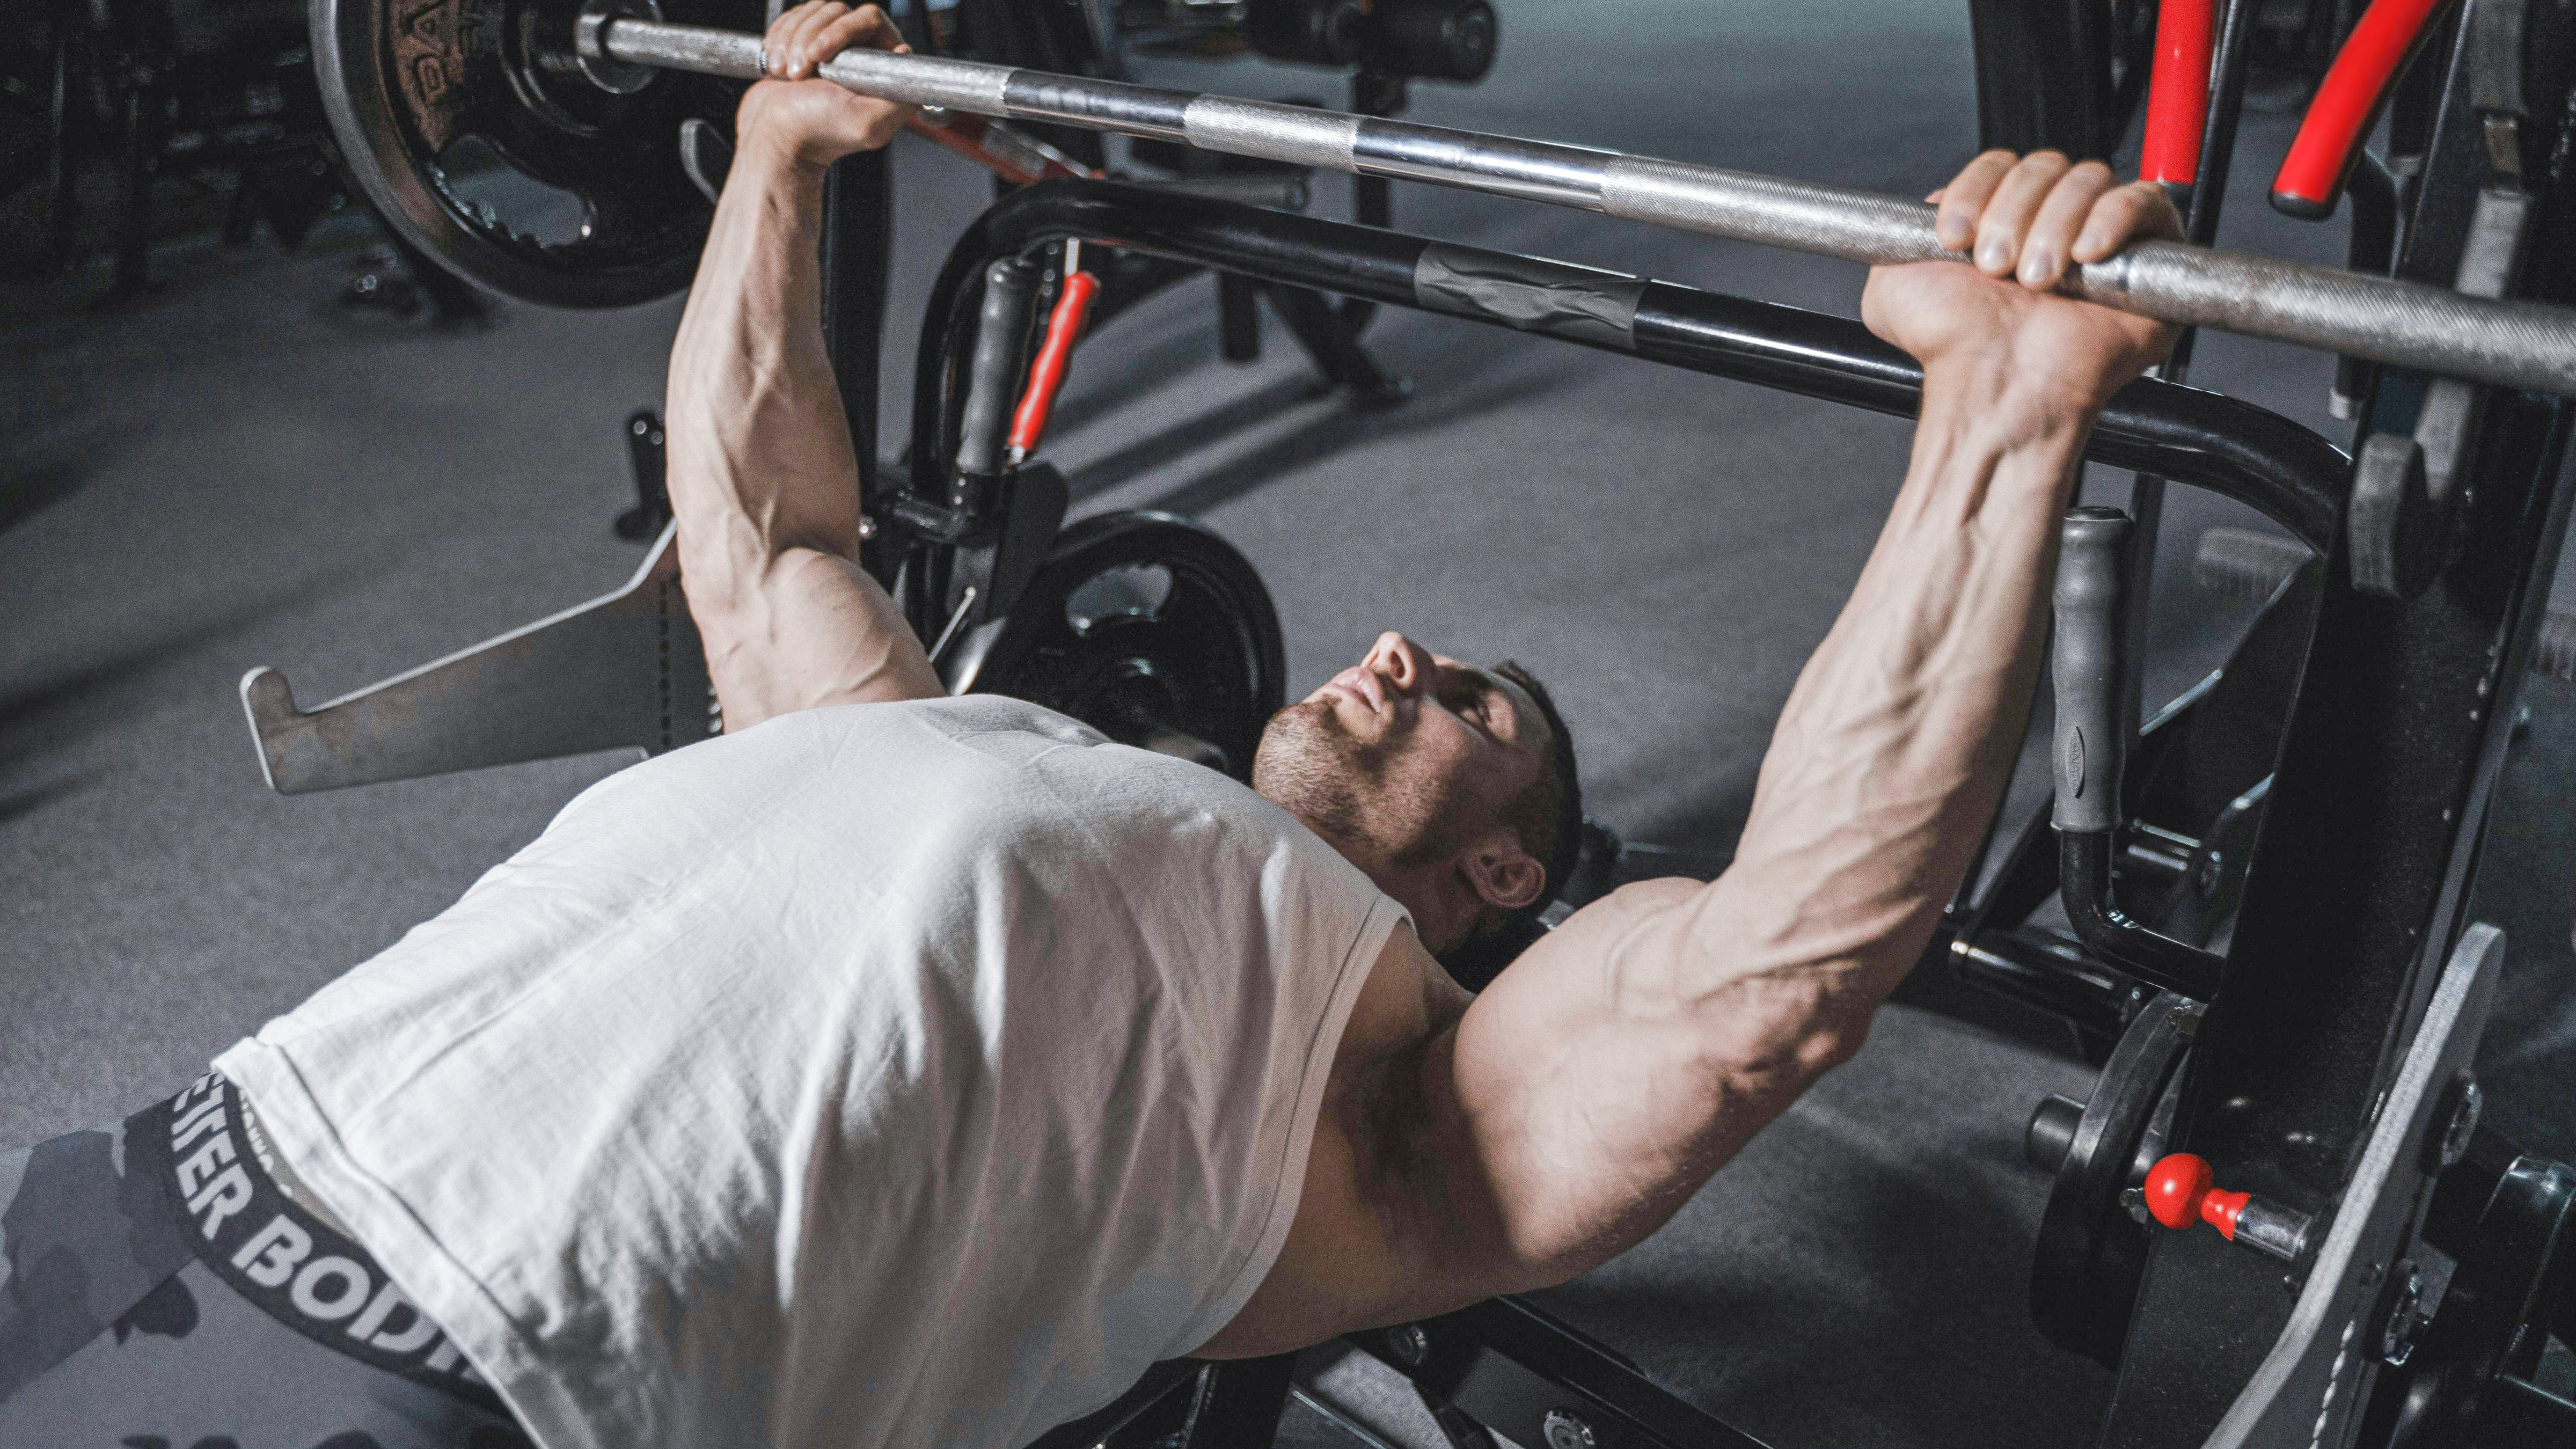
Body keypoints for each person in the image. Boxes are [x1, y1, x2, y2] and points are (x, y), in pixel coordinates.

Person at [0, 6, 2184, 1446]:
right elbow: (755, 533)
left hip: (483, 1387)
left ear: (1508, 877)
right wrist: (776, 157)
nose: (1409, 652)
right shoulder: (962, 740)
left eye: (1485, 710)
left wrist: (1997, 413)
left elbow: (1770, 978)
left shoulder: (1385, 1115)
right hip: (163, 1167)